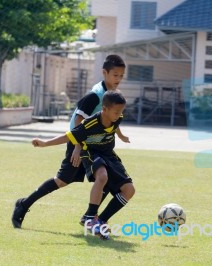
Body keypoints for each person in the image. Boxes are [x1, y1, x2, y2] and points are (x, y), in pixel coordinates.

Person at [11, 55, 128, 229]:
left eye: (121, 76)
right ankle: (24, 204)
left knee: (105, 178)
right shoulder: (95, 96)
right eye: (115, 75)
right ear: (104, 73)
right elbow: (77, 122)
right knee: (62, 180)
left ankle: (91, 216)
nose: (118, 79)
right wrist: (77, 148)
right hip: (79, 143)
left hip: (94, 147)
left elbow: (113, 120)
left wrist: (119, 134)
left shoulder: (114, 95)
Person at [32, 90, 135, 240]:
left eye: (121, 112)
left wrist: (121, 136)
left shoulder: (116, 118)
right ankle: (90, 217)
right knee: (102, 176)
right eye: (116, 112)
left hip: (109, 155)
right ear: (104, 109)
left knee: (129, 190)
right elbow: (68, 136)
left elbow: (115, 126)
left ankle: (100, 220)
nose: (119, 115)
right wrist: (45, 143)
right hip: (91, 153)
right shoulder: (90, 124)